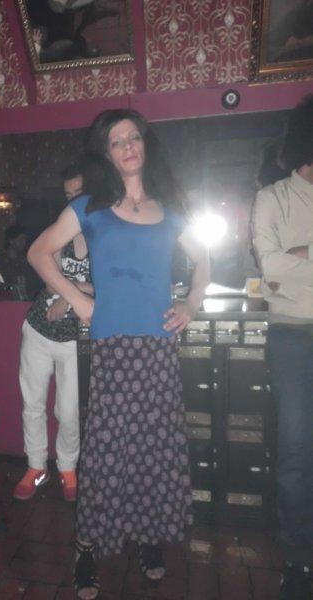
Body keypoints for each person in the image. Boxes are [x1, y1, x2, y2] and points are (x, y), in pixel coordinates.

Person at [27, 109, 209, 599]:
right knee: (107, 454)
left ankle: (148, 536)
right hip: (112, 347)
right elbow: (39, 253)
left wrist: (191, 303)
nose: (128, 146)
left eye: (134, 137)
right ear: (105, 153)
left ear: (145, 145)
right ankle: (86, 546)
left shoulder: (169, 209)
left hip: (158, 348)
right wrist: (79, 300)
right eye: (116, 140)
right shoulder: (90, 206)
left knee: (153, 449)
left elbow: (204, 258)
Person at [252, 95, 313, 600]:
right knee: (295, 449)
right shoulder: (273, 197)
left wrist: (300, 255)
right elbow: (269, 267)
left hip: (293, 320)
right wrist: (287, 262)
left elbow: (285, 268)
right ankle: (298, 557)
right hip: (291, 335)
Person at [13, 163, 92, 503]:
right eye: (68, 195)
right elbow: (47, 277)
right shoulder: (58, 231)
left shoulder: (106, 236)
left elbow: (109, 287)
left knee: (69, 411)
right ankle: (35, 466)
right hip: (39, 330)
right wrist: (77, 290)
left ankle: (67, 467)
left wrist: (68, 295)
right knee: (32, 404)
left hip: (76, 338)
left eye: (79, 193)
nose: (73, 201)